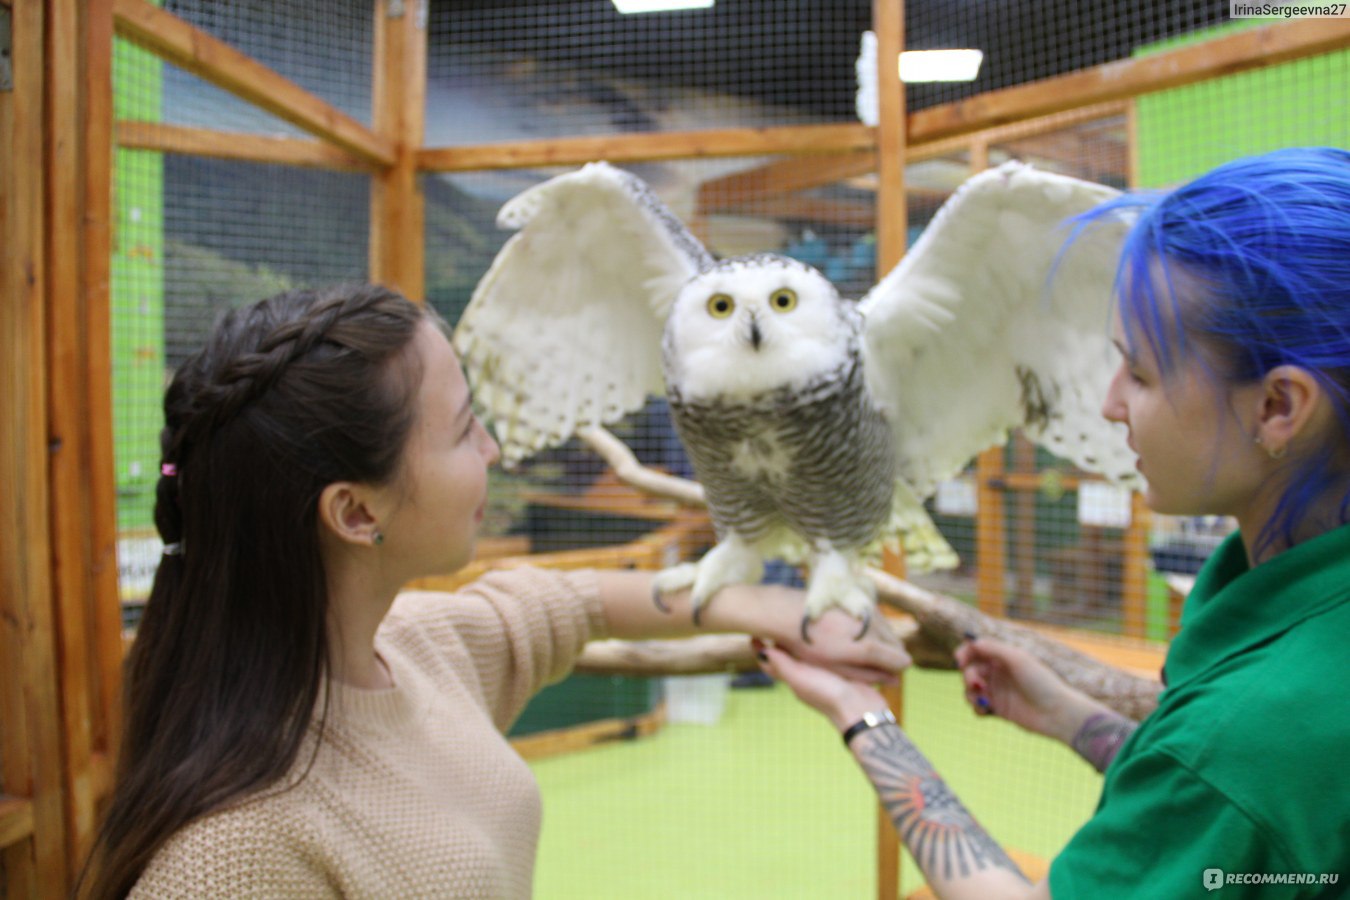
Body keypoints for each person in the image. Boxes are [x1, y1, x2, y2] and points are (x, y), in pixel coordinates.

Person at [81, 284, 909, 899]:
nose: (491, 449)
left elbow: (574, 603)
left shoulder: (412, 648)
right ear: (356, 511)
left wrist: (756, 605)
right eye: (461, 429)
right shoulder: (228, 859)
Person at [757, 146, 1350, 899]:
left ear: (1277, 407)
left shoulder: (1249, 733)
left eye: (1141, 373)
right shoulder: (1282, 599)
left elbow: (1226, 781)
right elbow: (1252, 828)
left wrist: (863, 717)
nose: (1110, 402)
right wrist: (1071, 715)